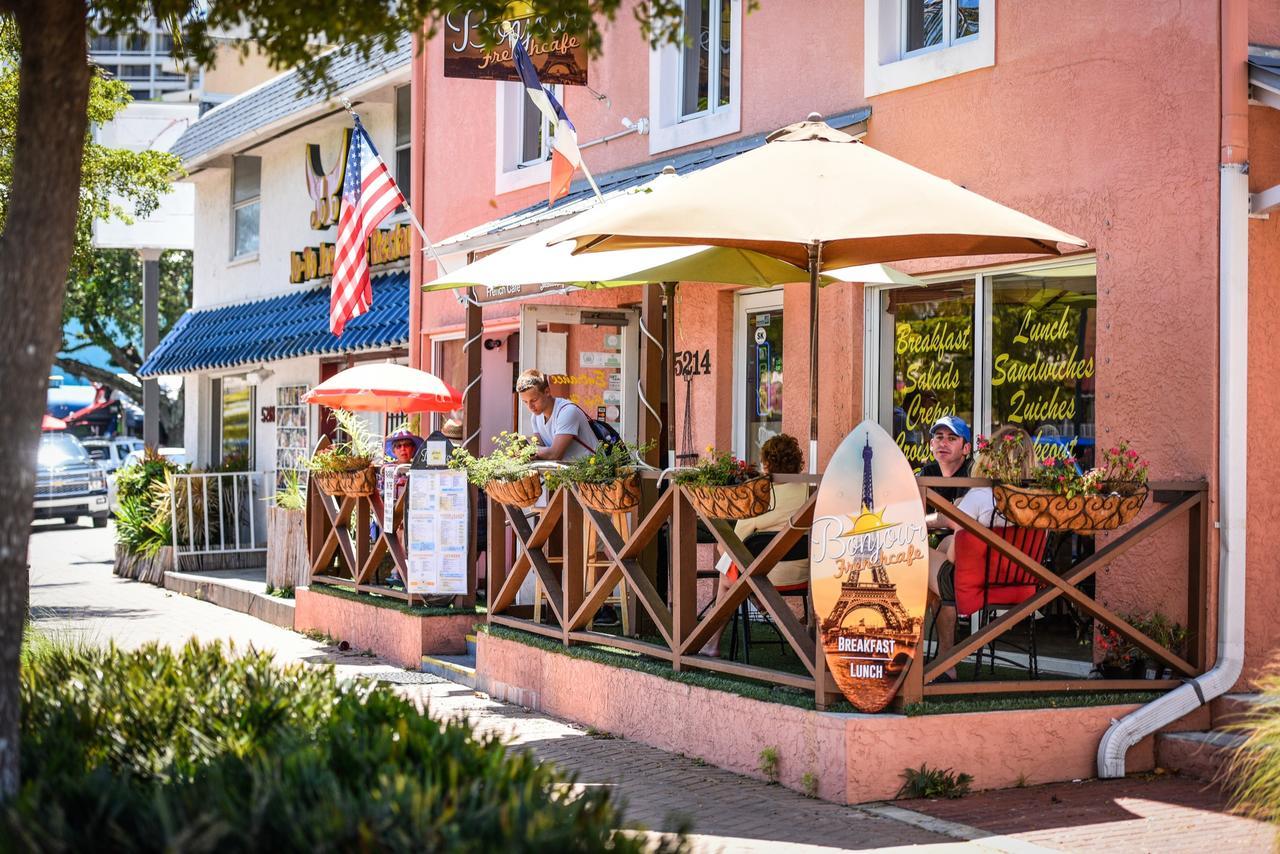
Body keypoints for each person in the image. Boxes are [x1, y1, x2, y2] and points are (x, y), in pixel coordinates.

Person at [928, 425, 1035, 680]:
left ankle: (936, 658)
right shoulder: (1034, 498)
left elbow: (954, 543)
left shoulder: (981, 495)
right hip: (1018, 582)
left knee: (916, 554)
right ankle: (944, 658)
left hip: (969, 584)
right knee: (942, 550)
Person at [699, 434, 808, 658]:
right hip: (803, 573)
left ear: (767, 464)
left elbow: (732, 544)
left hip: (764, 576)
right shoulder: (809, 491)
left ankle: (712, 644)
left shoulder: (760, 498)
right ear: (797, 462)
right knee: (736, 564)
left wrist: (722, 548)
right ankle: (759, 600)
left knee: (726, 572)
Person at [516, 368, 598, 461]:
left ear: (547, 392)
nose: (530, 406)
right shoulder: (535, 417)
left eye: (534, 400)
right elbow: (540, 450)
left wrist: (528, 445)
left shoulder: (567, 411)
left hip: (594, 470)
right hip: (567, 472)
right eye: (525, 402)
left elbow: (554, 454)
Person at [916, 414, 974, 503]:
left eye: (951, 438)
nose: (943, 443)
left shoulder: (973, 475)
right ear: (931, 445)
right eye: (939, 437)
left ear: (966, 448)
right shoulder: (927, 473)